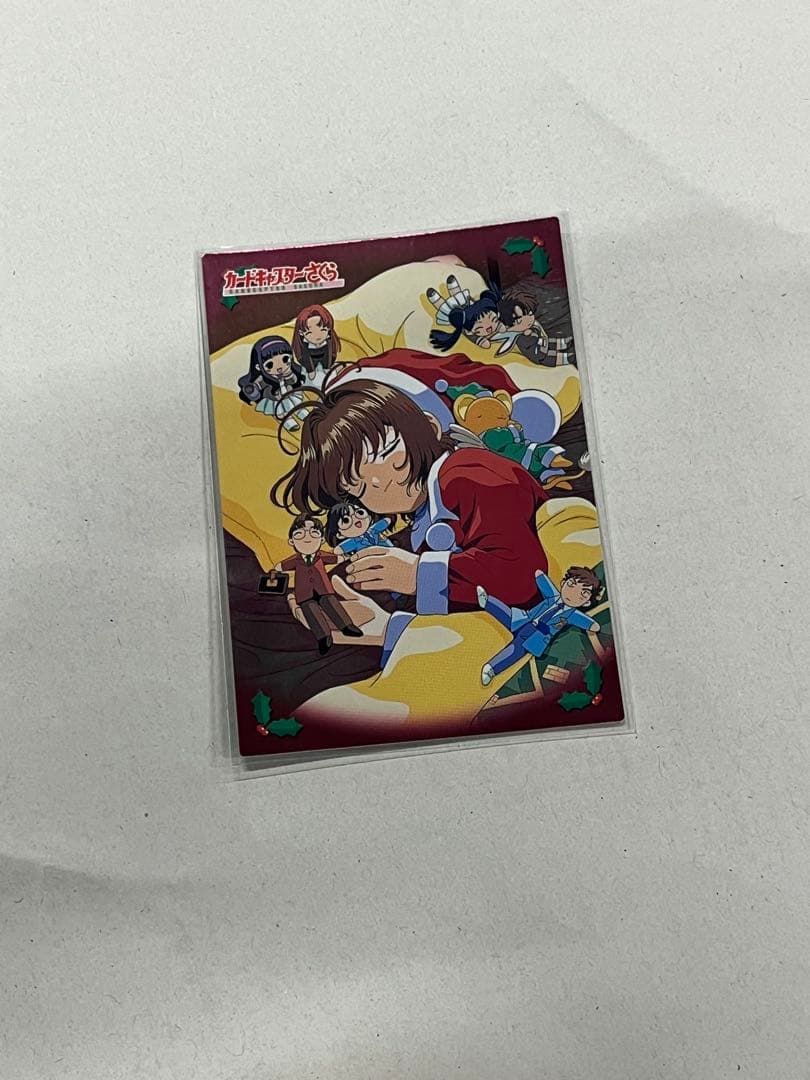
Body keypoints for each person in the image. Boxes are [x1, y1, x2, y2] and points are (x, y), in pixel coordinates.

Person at [271, 375, 551, 663]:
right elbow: (470, 618)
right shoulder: (423, 515)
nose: (378, 481)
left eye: (384, 452)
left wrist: (417, 575)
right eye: (357, 484)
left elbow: (523, 576)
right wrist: (385, 628)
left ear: (429, 427)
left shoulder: (469, 472)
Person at [477, 566, 604, 685]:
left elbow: (592, 625)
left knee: (516, 650)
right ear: (563, 583)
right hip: (524, 619)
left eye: (583, 594)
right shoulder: (553, 595)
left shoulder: (573, 614)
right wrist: (540, 576)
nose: (573, 593)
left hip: (537, 635)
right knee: (508, 615)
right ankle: (487, 602)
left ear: (586, 603)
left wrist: (592, 624)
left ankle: (491, 669)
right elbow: (541, 577)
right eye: (571, 584)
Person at [275, 515, 363, 654]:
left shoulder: (321, 555)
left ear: (321, 539)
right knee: (311, 611)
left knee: (332, 604)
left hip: (323, 588)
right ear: (291, 541)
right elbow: (280, 566)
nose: (307, 537)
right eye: (299, 534)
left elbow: (337, 558)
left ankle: (346, 626)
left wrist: (347, 556)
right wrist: (276, 570)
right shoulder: (295, 559)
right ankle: (324, 637)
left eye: (314, 533)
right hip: (304, 593)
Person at [237, 335, 307, 430]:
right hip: (275, 399)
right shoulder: (263, 379)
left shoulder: (289, 372)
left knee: (295, 404)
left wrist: (289, 375)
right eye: (270, 365)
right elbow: (257, 387)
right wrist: (252, 390)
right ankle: (286, 419)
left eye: (285, 359)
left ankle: (300, 411)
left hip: (289, 394)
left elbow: (294, 381)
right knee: (280, 411)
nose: (279, 367)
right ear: (258, 367)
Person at [325, 500, 394, 557]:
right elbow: (339, 549)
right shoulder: (354, 542)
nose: (355, 518)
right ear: (340, 535)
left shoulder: (373, 530)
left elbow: (386, 521)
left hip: (391, 553)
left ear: (369, 517)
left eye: (360, 512)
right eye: (346, 520)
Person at [292, 303, 340, 381]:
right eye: (309, 332)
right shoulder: (305, 346)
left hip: (326, 363)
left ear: (328, 328)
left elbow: (329, 354)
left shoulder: (328, 342)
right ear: (301, 333)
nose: (317, 335)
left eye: (323, 329)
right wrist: (310, 370)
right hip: (310, 364)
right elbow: (306, 357)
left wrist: (327, 367)